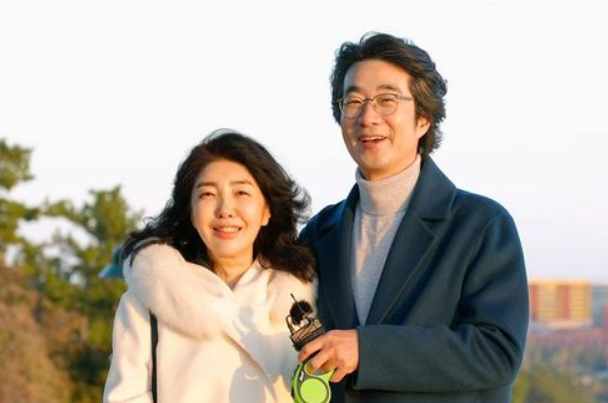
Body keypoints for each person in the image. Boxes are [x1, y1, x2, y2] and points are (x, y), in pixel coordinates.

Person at [298, 33, 529, 403]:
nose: (368, 117)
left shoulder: (481, 224)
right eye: (353, 101)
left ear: (423, 119)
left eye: (387, 100)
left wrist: (366, 350)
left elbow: (496, 352)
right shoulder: (319, 232)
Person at [103, 130, 316, 403]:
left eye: (241, 192)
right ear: (190, 213)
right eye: (207, 194)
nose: (225, 209)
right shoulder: (149, 299)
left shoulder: (302, 298)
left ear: (267, 211)